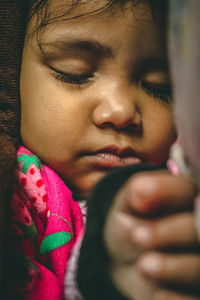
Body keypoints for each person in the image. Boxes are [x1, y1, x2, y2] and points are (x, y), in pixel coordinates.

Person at [0, 0, 199, 300]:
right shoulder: (18, 192)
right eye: (74, 73)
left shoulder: (180, 191)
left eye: (160, 86)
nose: (121, 111)